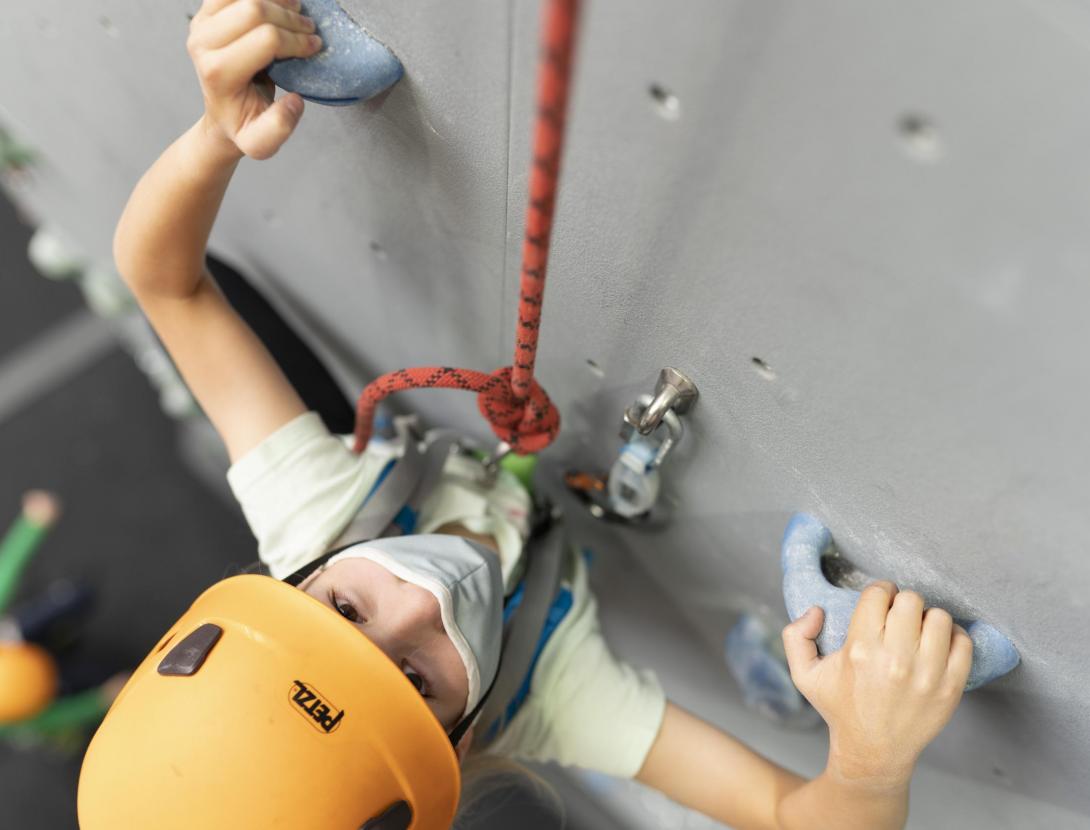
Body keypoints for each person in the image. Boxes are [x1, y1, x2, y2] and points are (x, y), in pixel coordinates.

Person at [78, 2, 975, 828]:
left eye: (346, 608)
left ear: (289, 586)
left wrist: (215, 135)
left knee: (238, 306)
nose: (420, 600)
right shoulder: (550, 694)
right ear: (464, 737)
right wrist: (869, 763)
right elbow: (794, 817)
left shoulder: (313, 517)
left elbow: (167, 283)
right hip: (480, 525)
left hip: (379, 475)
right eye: (416, 676)